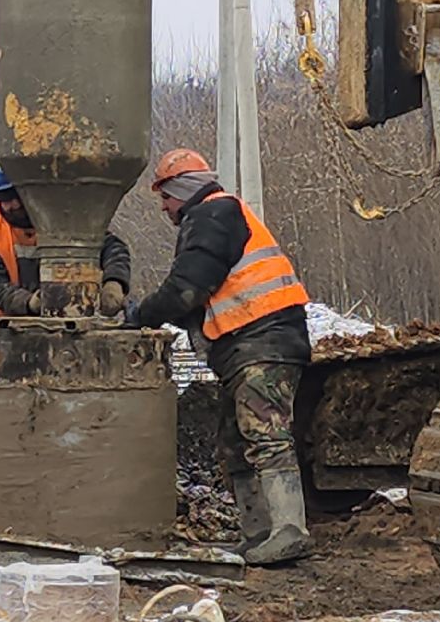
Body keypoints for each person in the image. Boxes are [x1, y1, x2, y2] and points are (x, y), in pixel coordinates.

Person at [125, 149, 313, 565]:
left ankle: (289, 529)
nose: (163, 207)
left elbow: (187, 289)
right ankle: (259, 533)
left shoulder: (213, 215)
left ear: (182, 190)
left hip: (265, 340)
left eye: (165, 197)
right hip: (250, 346)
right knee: (234, 441)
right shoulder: (212, 218)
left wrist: (139, 317)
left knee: (265, 434)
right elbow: (194, 301)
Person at [0, 151, 131, 325]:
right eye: (2, 197)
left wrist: (115, 282)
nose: (12, 205)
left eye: (15, 195)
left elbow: (112, 248)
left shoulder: (62, 215)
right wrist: (28, 302)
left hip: (69, 322)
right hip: (3, 326)